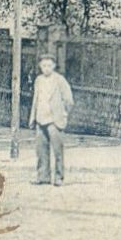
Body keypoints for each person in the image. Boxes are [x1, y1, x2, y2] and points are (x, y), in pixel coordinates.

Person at [30, 55, 74, 185]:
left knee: (57, 150)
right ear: (40, 66)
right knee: (41, 150)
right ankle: (43, 177)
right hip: (40, 118)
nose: (46, 68)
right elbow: (36, 99)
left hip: (54, 120)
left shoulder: (60, 80)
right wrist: (33, 116)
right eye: (44, 66)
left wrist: (64, 114)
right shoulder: (38, 80)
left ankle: (59, 177)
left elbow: (69, 100)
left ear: (54, 66)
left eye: (49, 65)